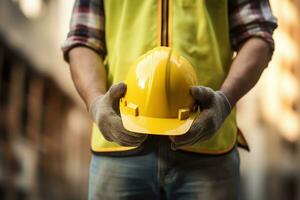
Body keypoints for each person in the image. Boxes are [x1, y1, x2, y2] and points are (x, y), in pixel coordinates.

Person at [62, 0, 277, 199]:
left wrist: (225, 100)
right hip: (118, 141)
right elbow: (83, 39)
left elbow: (257, 34)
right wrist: (96, 103)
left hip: (208, 146)